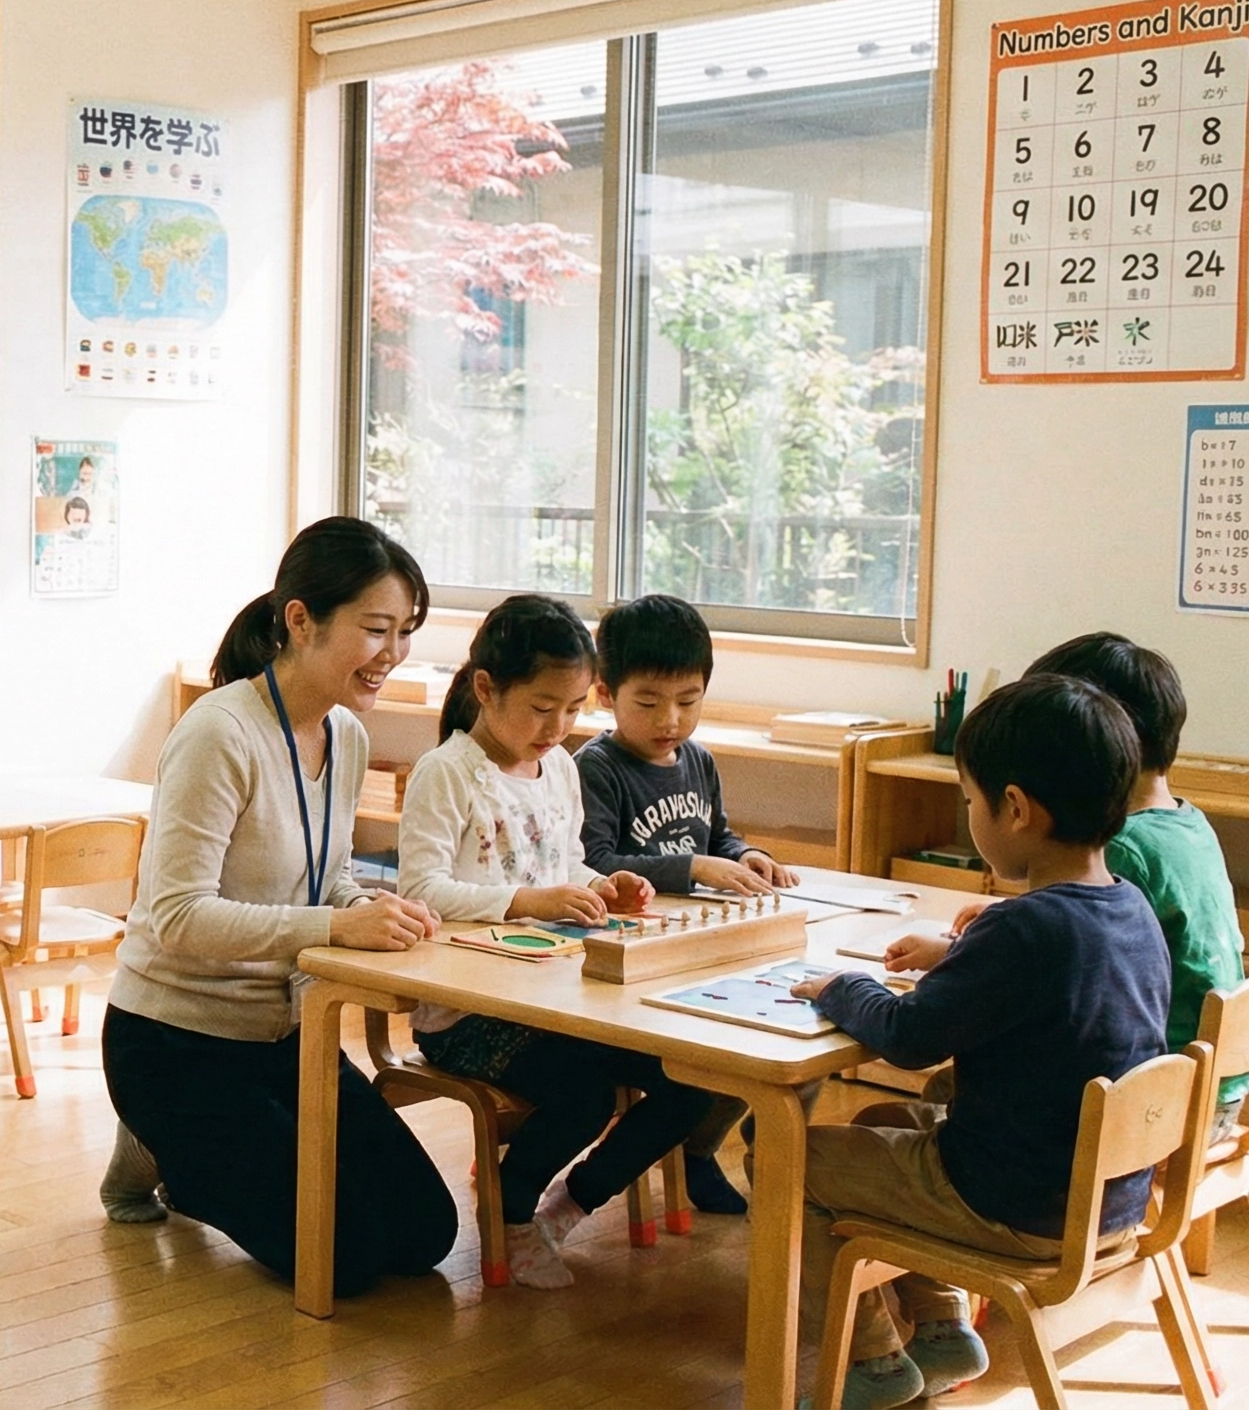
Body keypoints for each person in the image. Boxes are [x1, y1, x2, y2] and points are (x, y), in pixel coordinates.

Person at [788, 675, 1170, 1409]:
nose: (971, 814)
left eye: (970, 799)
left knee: (793, 1160)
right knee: (877, 1125)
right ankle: (941, 1330)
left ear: (1017, 809)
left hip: (1015, 1204)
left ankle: (871, 1362)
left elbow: (909, 1038)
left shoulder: (1023, 927)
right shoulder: (1130, 907)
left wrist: (840, 989)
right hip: (1104, 1201)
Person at [100, 516, 458, 1298]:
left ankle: (186, 1153)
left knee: (427, 1233)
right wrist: (338, 925)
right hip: (173, 1042)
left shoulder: (346, 735)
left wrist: (379, 909)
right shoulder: (218, 732)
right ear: (300, 620)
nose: (392, 654)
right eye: (374, 629)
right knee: (348, 1256)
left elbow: (326, 881)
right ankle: (169, 1156)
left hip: (285, 1036)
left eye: (404, 631)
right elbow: (178, 918)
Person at [397, 594, 713, 1289]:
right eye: (543, 707)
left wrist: (607, 885)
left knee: (698, 1079)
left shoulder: (561, 768)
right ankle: (509, 1215)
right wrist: (527, 900)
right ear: (486, 688)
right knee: (583, 1095)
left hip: (559, 997)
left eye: (573, 710)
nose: (559, 726)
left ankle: (569, 1205)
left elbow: (566, 863)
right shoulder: (448, 772)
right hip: (469, 1013)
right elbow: (422, 892)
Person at [887, 633, 1249, 1137]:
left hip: (1155, 1101)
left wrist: (969, 951)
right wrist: (981, 936)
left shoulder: (1121, 847)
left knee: (967, 1081)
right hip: (1215, 1081)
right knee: (946, 1091)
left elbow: (1065, 971)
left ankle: (951, 1197)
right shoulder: (1187, 824)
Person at [573, 592, 796, 1216]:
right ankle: (681, 1151)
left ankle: (698, 1150)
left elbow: (716, 832)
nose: (669, 718)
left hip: (695, 943)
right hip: (628, 956)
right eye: (648, 701)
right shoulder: (597, 766)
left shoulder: (697, 760)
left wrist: (744, 853)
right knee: (697, 1064)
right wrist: (693, 866)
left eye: (688, 701)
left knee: (748, 1048)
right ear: (605, 693)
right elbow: (591, 862)